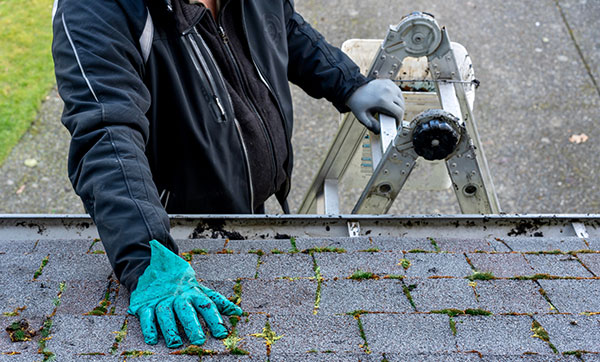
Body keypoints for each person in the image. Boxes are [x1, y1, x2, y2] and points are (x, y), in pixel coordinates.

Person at [52, 0, 405, 348]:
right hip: (176, 240)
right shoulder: (95, 9)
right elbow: (106, 134)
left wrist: (347, 83)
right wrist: (147, 256)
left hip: (251, 212)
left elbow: (282, 27)